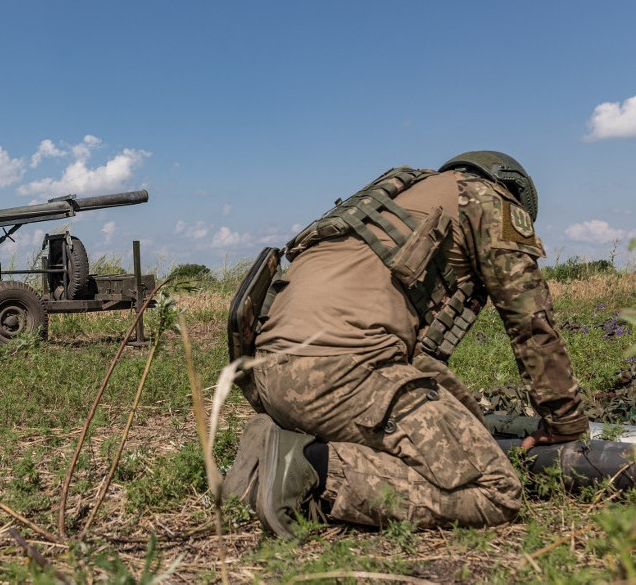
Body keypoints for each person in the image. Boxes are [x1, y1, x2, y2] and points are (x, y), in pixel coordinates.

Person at [224, 151, 588, 535]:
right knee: (495, 490)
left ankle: (277, 441)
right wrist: (564, 419)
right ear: (510, 187)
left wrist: (467, 421)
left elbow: (415, 361)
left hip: (268, 377)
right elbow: (530, 319)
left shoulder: (390, 200)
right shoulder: (487, 199)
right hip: (339, 375)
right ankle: (311, 471)